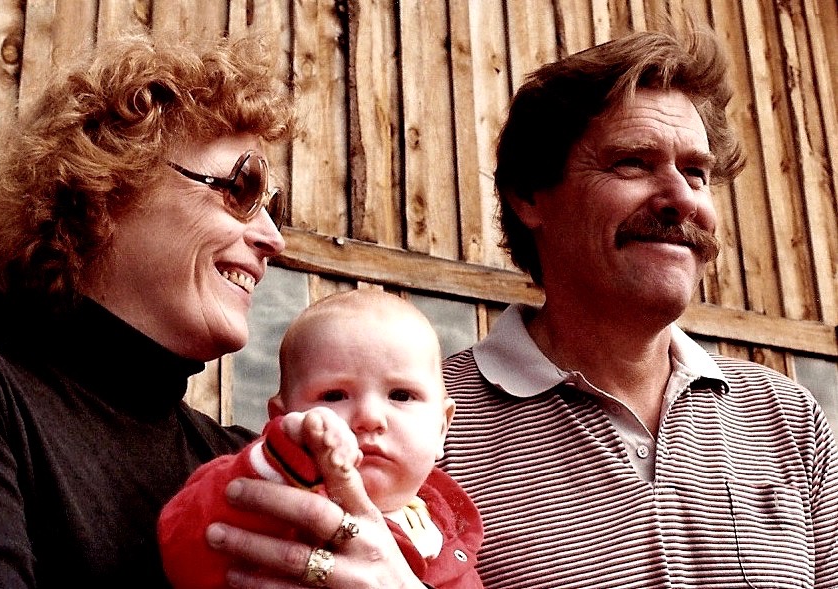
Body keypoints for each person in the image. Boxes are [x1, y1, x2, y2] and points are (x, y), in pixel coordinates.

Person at [206, 21, 838, 589]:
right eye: (632, 163)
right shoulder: (416, 422)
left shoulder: (789, 416)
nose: (681, 198)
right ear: (531, 196)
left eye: (696, 173)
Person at [0, 31, 300, 587]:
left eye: (275, 206)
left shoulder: (239, 462)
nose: (273, 237)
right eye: (242, 186)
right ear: (102, 189)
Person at [157, 289, 483, 589]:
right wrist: (280, 458)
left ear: (442, 428)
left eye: (401, 394)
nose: (369, 417)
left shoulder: (450, 536)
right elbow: (183, 545)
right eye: (333, 395)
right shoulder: (269, 492)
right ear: (280, 418)